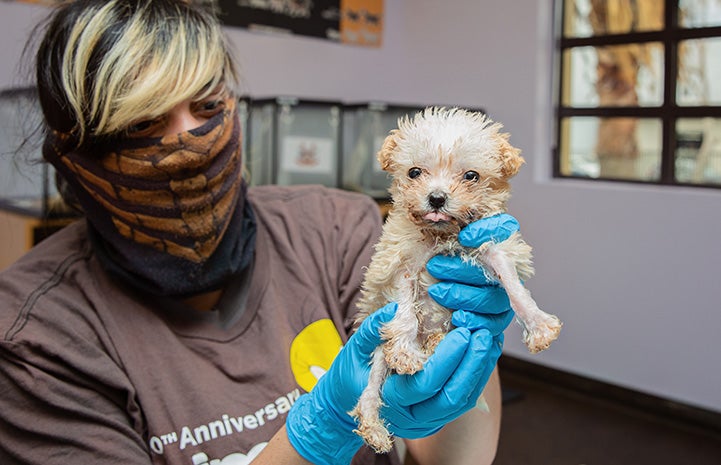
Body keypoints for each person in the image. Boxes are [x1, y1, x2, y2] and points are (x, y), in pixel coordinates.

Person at [0, 1, 518, 464]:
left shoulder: (332, 228)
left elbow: (452, 458)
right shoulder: (36, 335)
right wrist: (319, 431)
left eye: (206, 106)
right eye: (142, 123)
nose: (191, 141)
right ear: (77, 154)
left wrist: (463, 333)